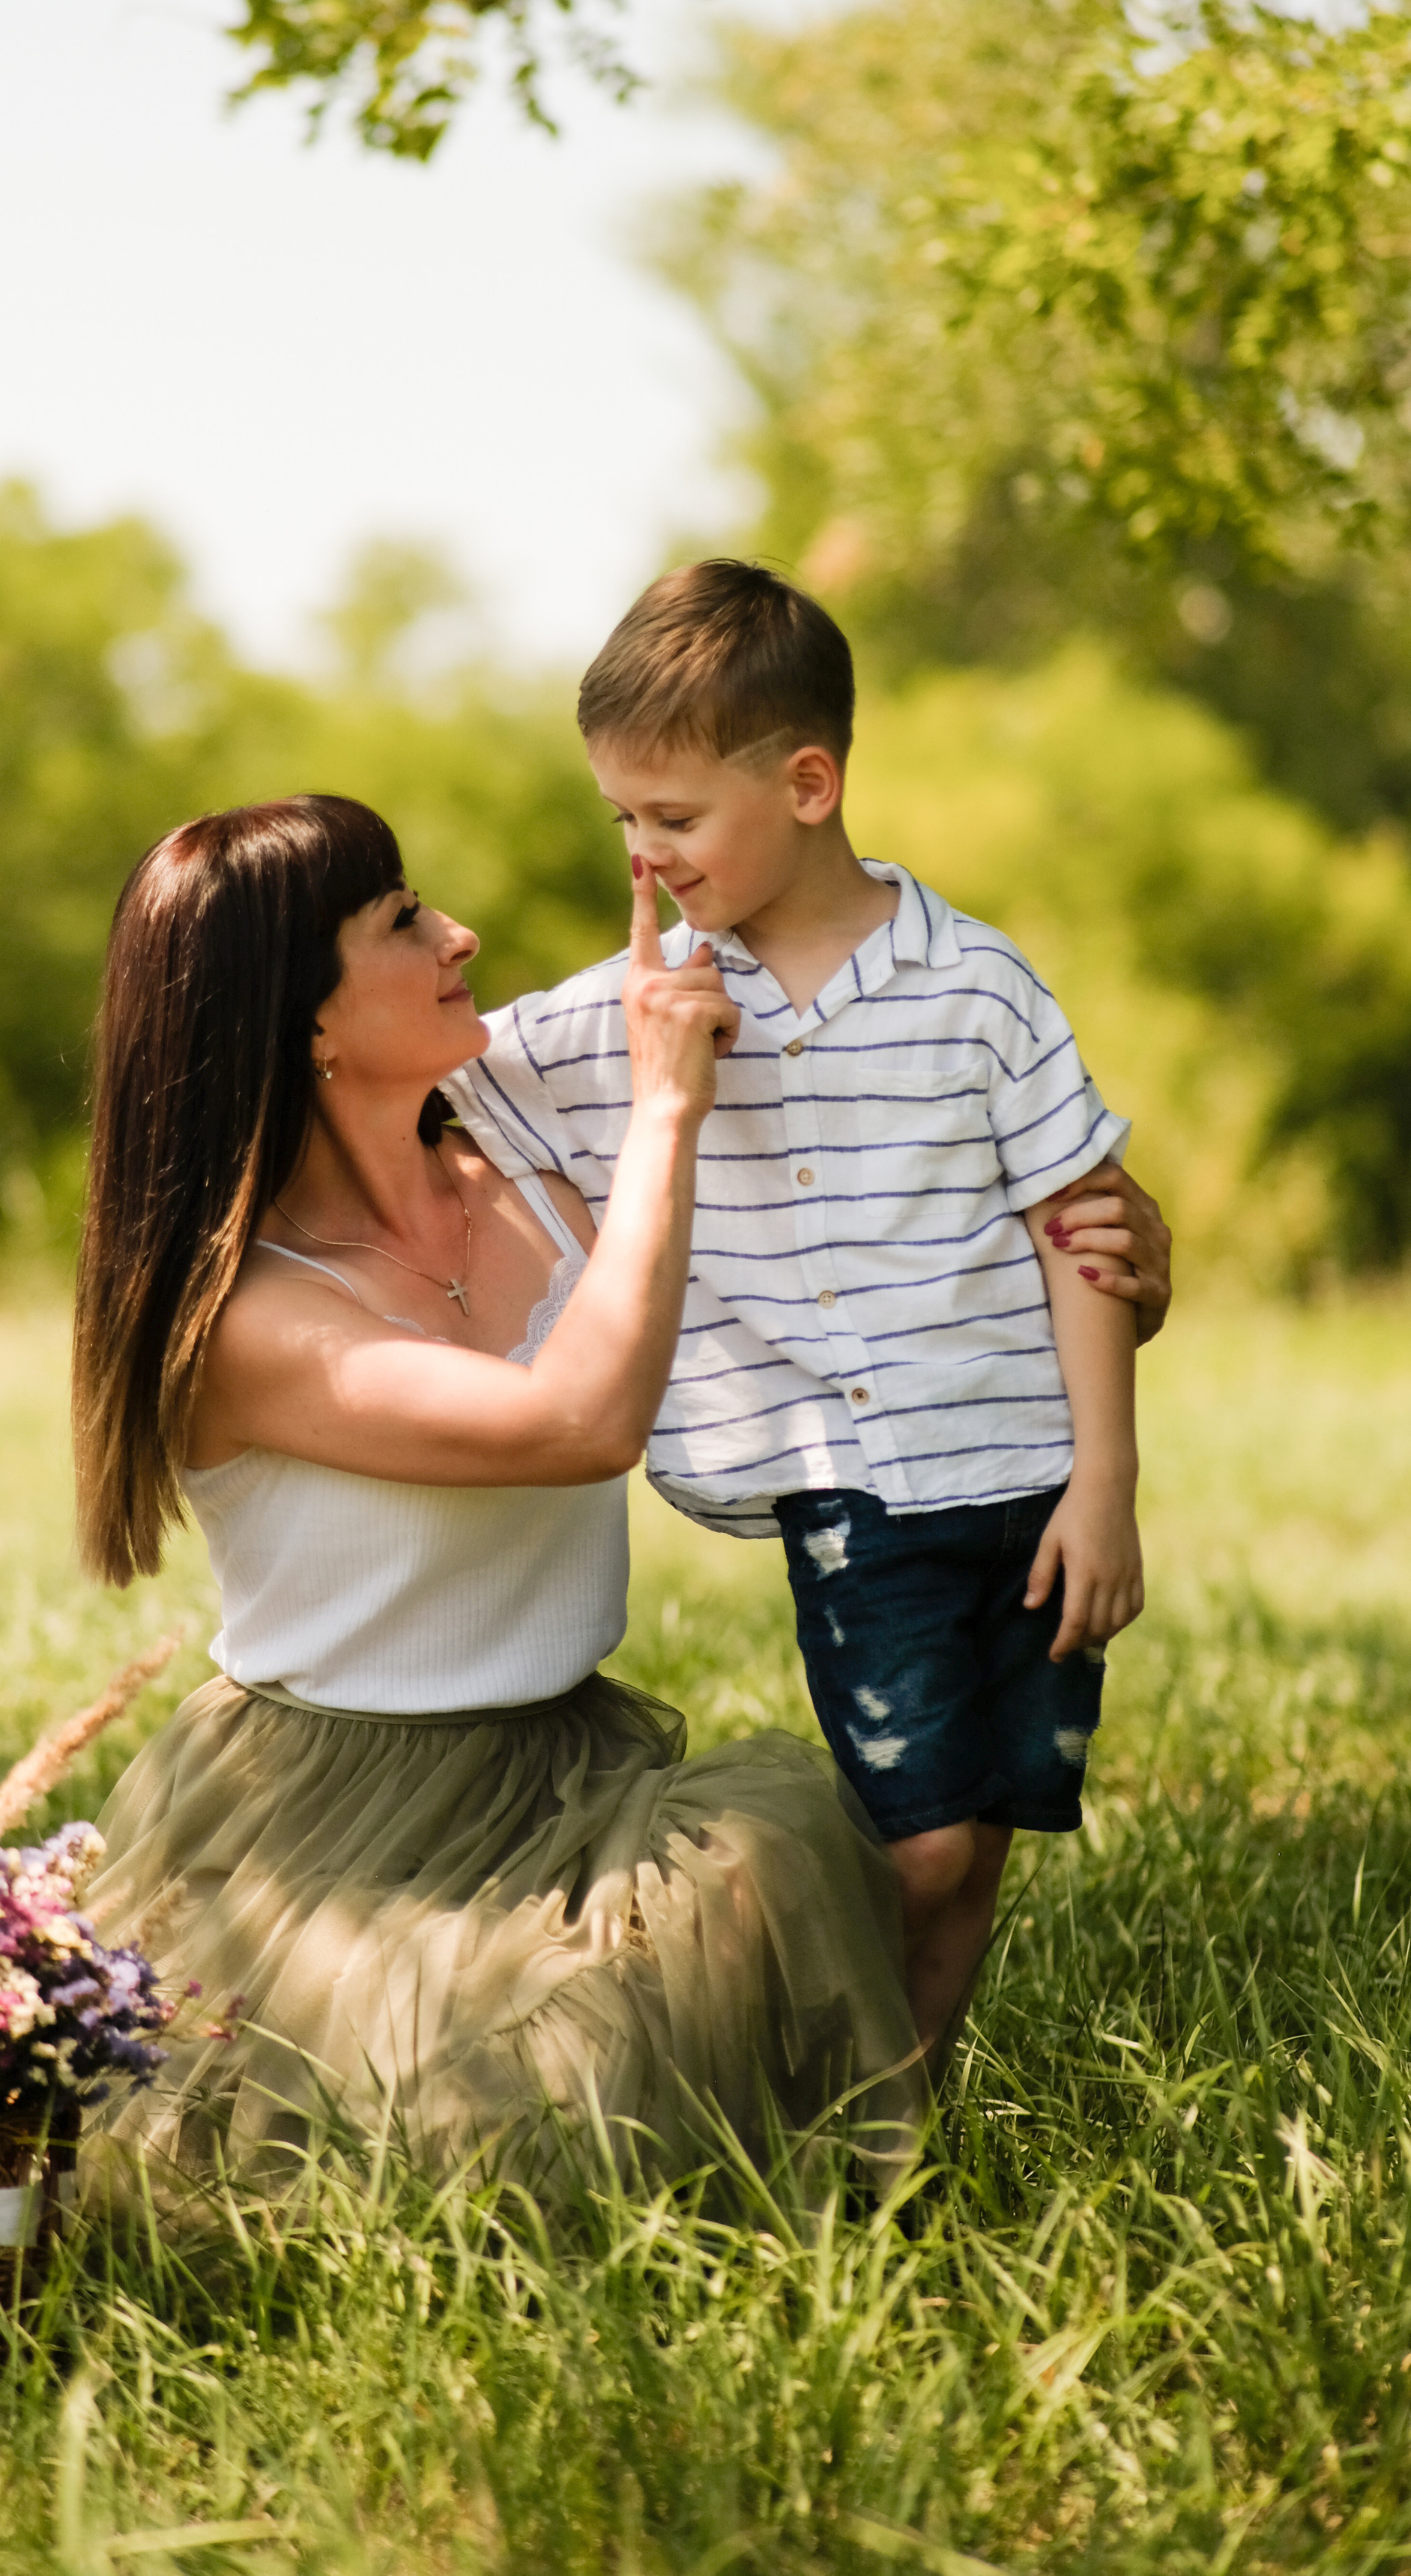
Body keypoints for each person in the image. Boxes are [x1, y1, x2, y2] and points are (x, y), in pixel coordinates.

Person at [75, 794, 930, 2204]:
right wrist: (663, 1112)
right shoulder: (247, 1324)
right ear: (309, 1024)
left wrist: (1071, 1214)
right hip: (329, 1820)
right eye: (403, 920)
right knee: (491, 2115)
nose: (460, 933)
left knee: (769, 1856)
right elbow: (581, 1423)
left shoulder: (523, 1167)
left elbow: (840, 1193)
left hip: (563, 1764)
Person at [446, 561, 1173, 2063]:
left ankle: (898, 2142)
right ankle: (836, 2108)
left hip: (1030, 1476)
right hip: (855, 1493)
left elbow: (1081, 1230)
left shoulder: (975, 987)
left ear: (805, 780)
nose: (643, 858)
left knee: (978, 1844)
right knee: (911, 1844)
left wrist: (1103, 1484)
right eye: (621, 822)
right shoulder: (633, 1009)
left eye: (672, 818)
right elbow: (418, 1086)